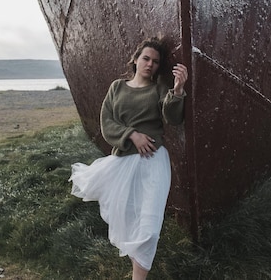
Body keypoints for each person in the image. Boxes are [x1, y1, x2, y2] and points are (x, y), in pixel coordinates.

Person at [69, 36, 188, 280]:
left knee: (149, 228)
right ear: (135, 59)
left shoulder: (159, 90)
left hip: (154, 163)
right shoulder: (117, 87)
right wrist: (132, 135)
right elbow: (107, 123)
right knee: (128, 221)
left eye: (155, 62)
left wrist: (177, 90)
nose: (150, 64)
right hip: (123, 163)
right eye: (146, 58)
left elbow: (173, 117)